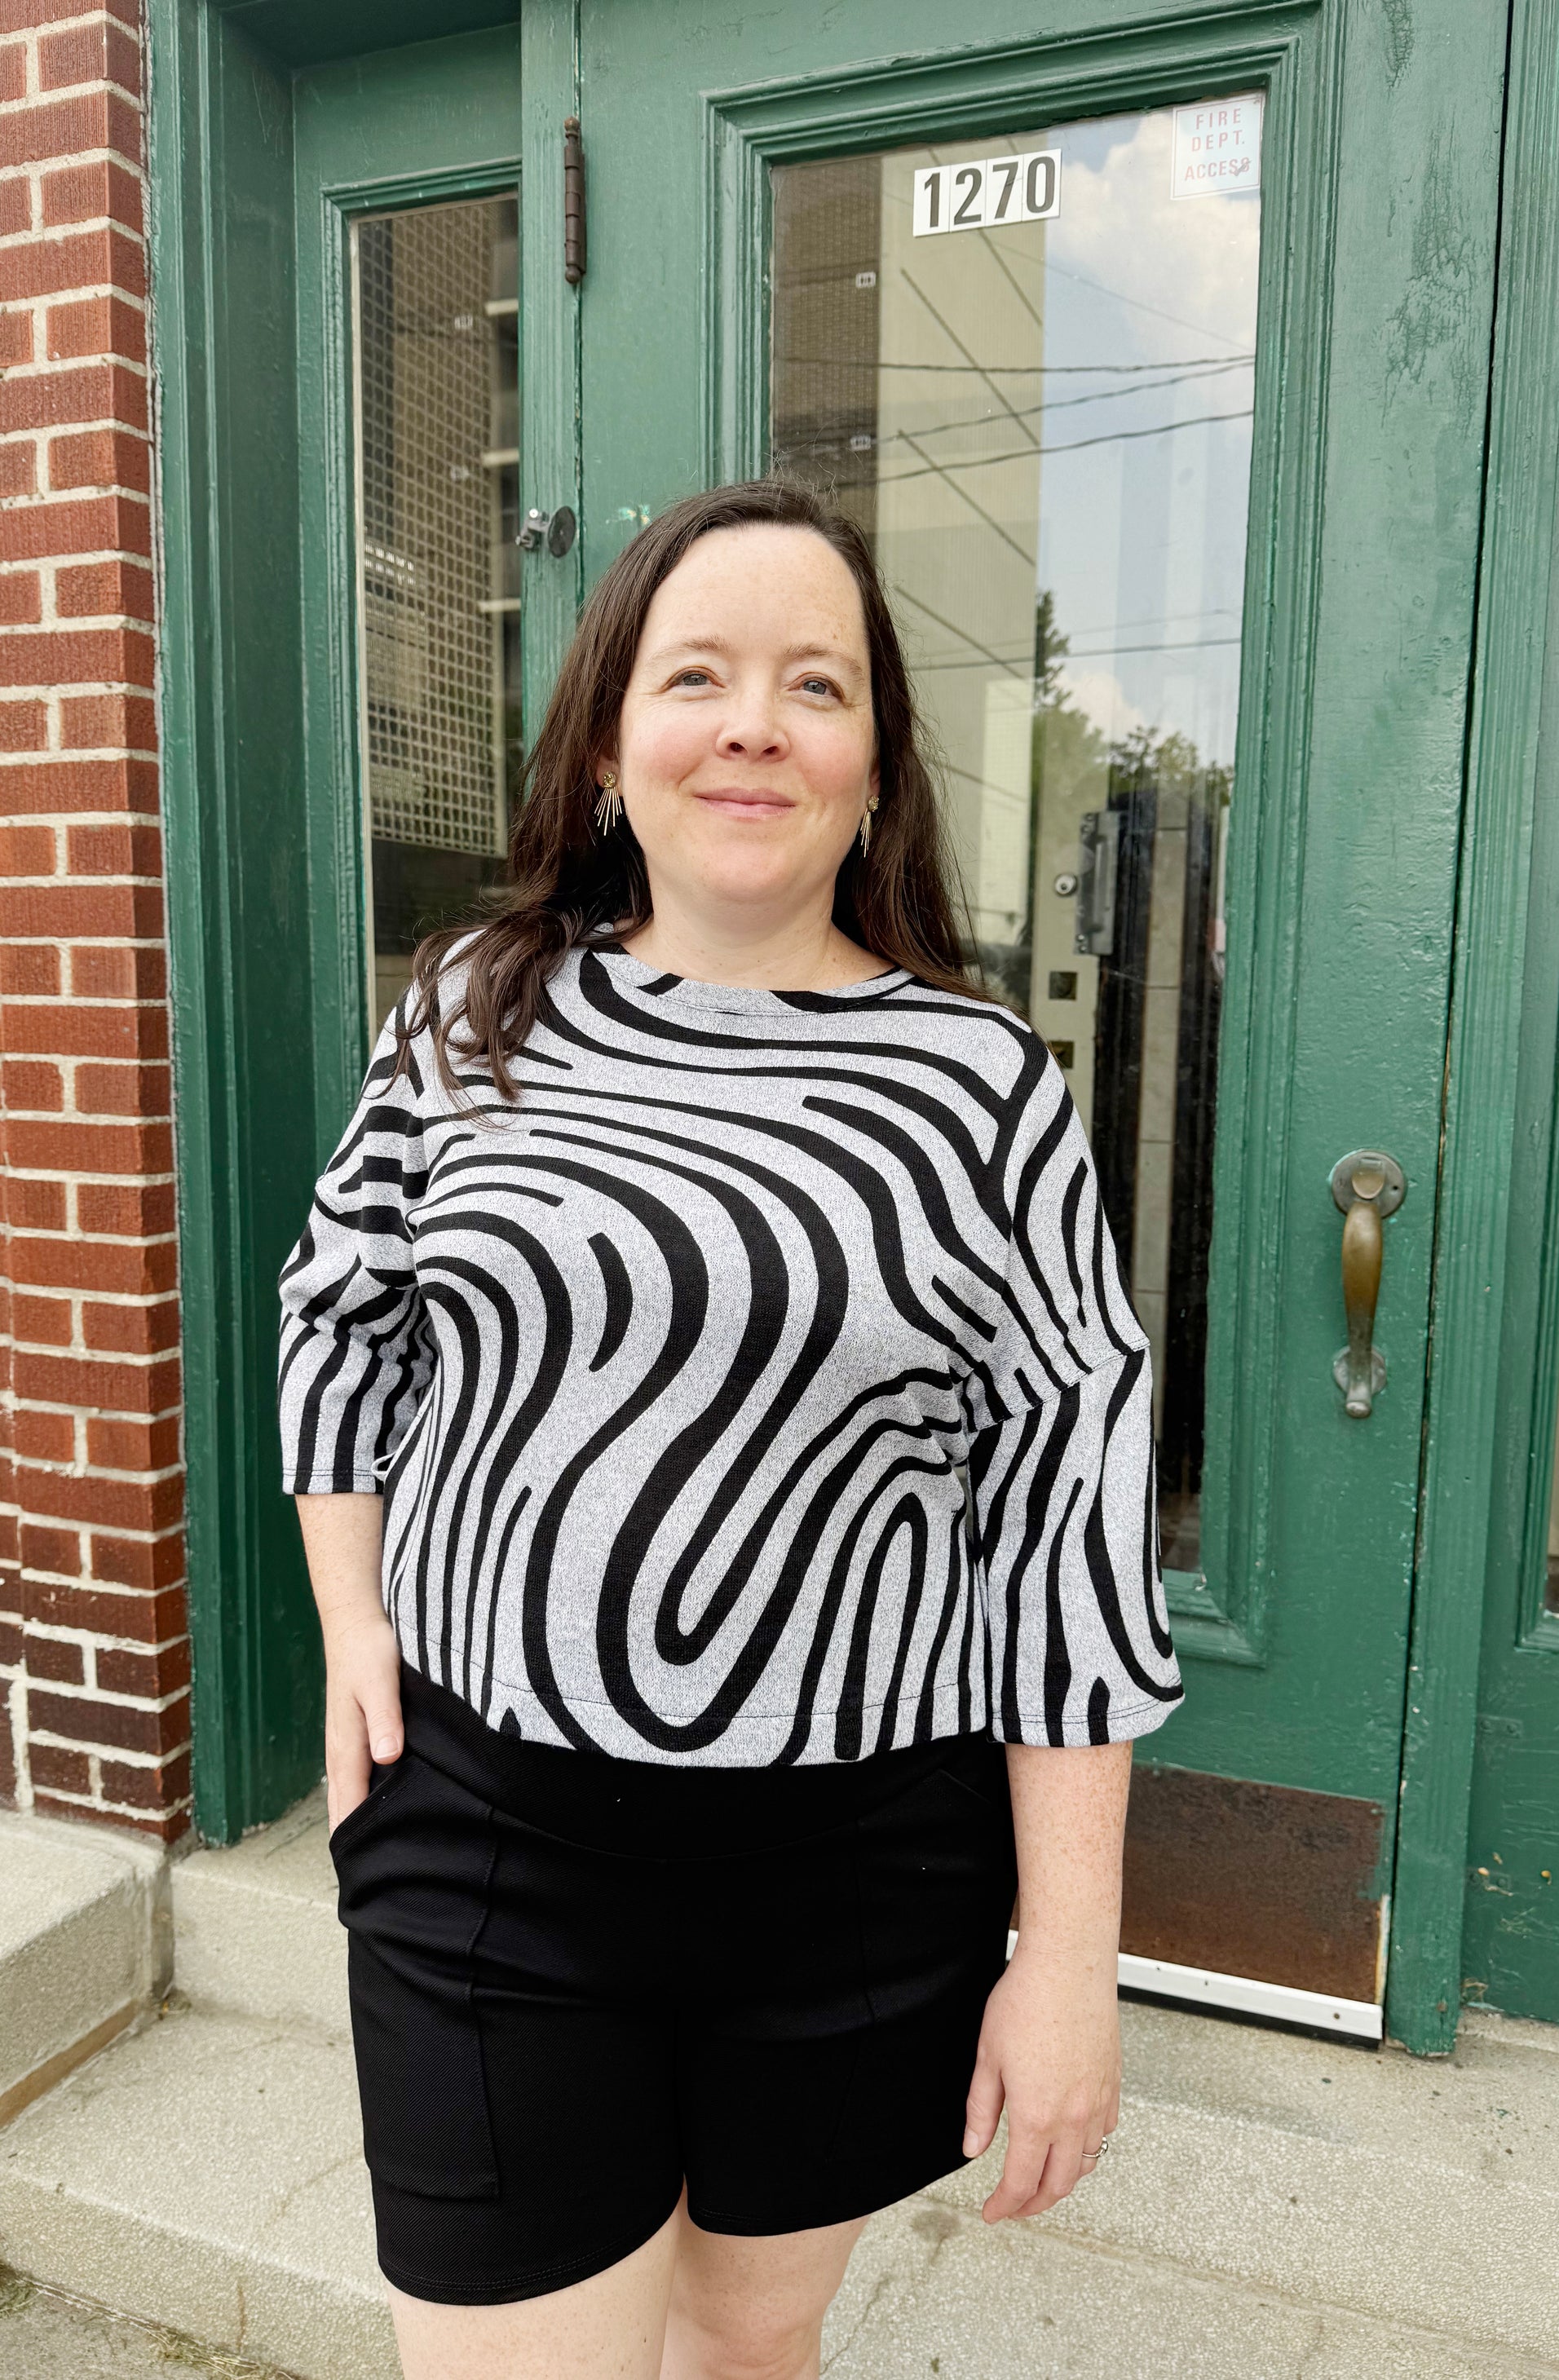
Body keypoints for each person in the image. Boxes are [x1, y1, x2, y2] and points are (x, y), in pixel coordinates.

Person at [278, 478, 1181, 2380]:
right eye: (696, 674)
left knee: (753, 2350)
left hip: (852, 1878)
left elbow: (1061, 1518)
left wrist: (1070, 1953)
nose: (754, 721)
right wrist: (356, 1623)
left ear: (873, 768)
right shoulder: (471, 1010)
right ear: (612, 743)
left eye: (814, 684)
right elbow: (340, 1314)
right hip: (492, 1850)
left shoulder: (977, 1087)